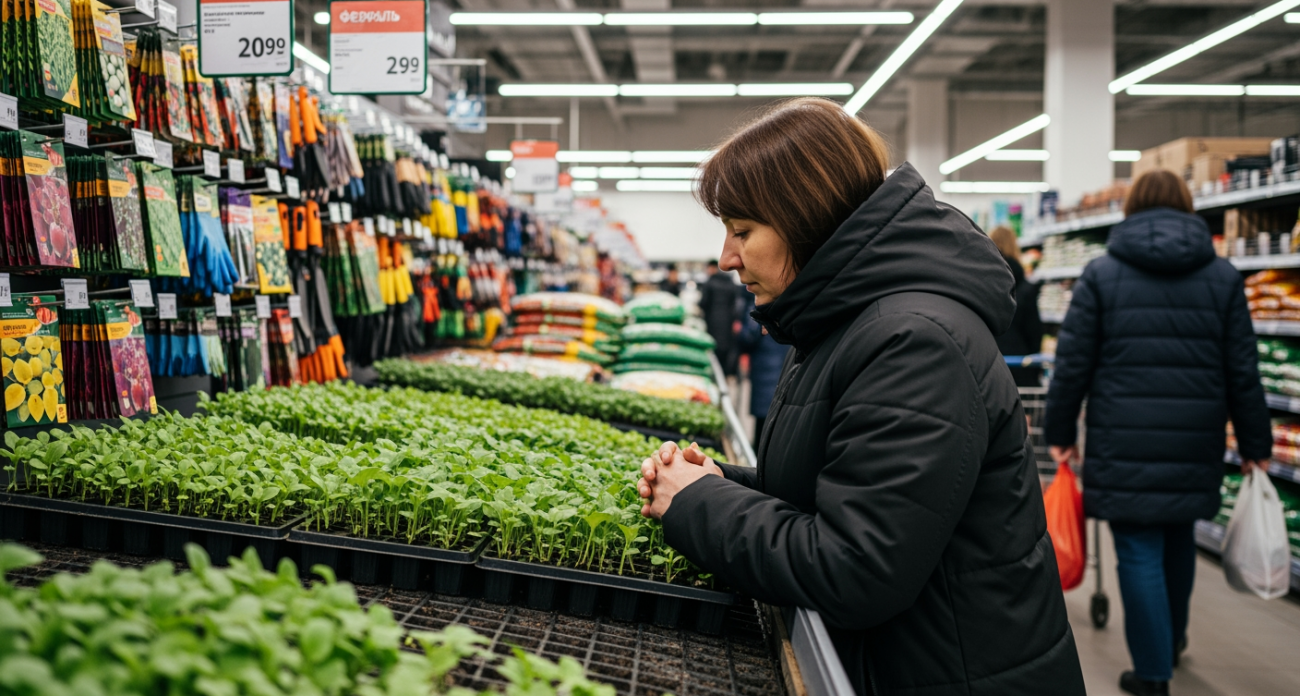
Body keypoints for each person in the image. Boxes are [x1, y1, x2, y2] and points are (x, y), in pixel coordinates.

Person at [636, 98, 1085, 696]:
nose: (726, 258)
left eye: (742, 230)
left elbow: (856, 569)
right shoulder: (836, 322)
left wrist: (699, 506)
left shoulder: (915, 343)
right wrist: (722, 481)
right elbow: (841, 485)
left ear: (806, 219)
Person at [1044, 169, 1271, 696]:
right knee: (1177, 541)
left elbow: (1072, 366)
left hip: (1124, 441)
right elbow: (1244, 371)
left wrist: (1060, 431)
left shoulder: (1101, 275)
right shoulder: (1223, 277)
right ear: (1190, 210)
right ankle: (1168, 644)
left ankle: (1152, 674)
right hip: (1196, 439)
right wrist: (1256, 444)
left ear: (1130, 211)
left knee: (1138, 550)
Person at [989, 225, 1044, 386]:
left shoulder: (983, 286)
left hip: (989, 366)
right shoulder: (1026, 289)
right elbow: (1034, 333)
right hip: (1020, 366)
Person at [737, 294, 790, 447]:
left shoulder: (760, 304)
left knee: (762, 430)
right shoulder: (790, 305)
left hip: (764, 371)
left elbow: (748, 337)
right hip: (783, 370)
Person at [699, 259, 740, 375]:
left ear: (710, 268)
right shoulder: (730, 282)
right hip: (727, 324)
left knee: (713, 350)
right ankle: (725, 375)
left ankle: (715, 375)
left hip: (713, 323)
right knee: (725, 351)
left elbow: (703, 303)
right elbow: (736, 304)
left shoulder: (709, 283)